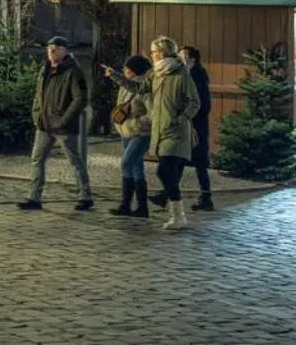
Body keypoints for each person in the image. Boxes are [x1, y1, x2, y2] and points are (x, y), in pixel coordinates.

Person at [16, 35, 93, 212]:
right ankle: (34, 198)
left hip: (63, 126)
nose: (51, 53)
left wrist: (64, 120)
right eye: (49, 49)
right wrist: (36, 113)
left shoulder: (74, 71)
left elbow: (80, 99)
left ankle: (85, 196)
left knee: (74, 160)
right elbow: (39, 93)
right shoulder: (46, 69)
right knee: (37, 159)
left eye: (55, 49)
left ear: (64, 51)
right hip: (44, 123)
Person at [139, 36, 201, 231]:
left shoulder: (181, 74)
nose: (152, 56)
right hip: (160, 130)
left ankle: (178, 215)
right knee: (169, 172)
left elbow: (194, 102)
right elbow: (138, 89)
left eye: (154, 52)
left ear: (163, 53)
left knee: (164, 171)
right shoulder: (155, 74)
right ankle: (174, 210)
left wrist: (181, 118)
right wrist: (116, 76)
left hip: (176, 132)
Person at [98, 55, 152, 218]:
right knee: (136, 168)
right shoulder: (126, 84)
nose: (124, 71)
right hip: (125, 132)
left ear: (135, 71)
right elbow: (123, 94)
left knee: (126, 164)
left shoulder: (145, 88)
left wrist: (135, 124)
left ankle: (128, 204)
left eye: (127, 69)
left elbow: (152, 115)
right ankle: (137, 207)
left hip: (140, 132)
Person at [179, 44, 213, 211]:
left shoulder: (195, 76)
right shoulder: (192, 74)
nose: (179, 57)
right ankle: (204, 196)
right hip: (194, 123)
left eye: (182, 55)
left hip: (196, 125)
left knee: (195, 160)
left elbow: (201, 103)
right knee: (183, 160)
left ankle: (206, 197)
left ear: (191, 59)